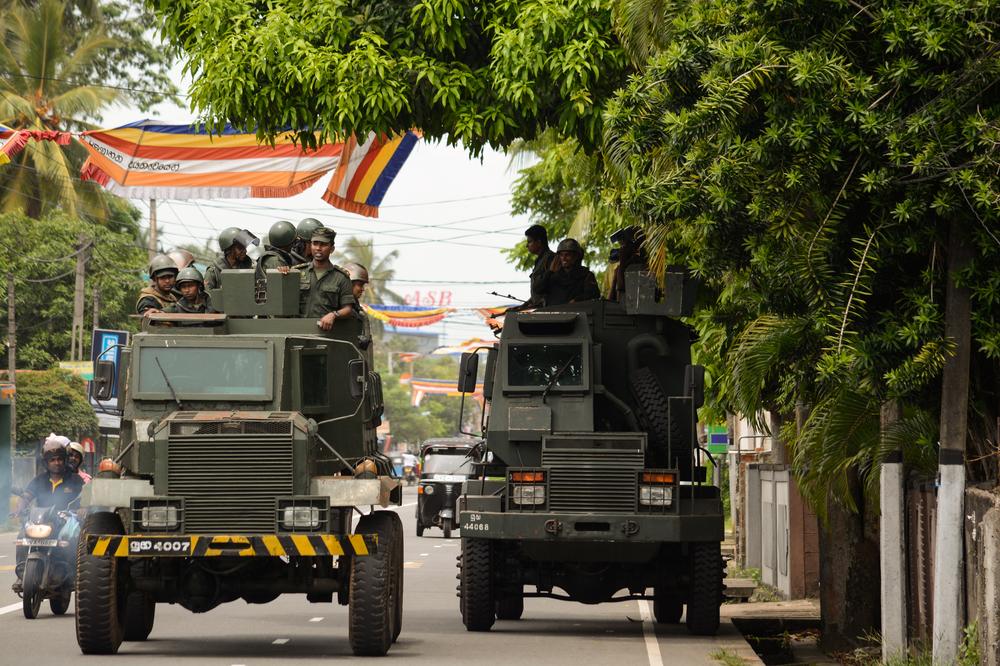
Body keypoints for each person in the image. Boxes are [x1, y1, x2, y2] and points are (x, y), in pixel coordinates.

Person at [9, 437, 85, 593]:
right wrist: (18, 509)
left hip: (65, 521)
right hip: (40, 520)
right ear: (46, 462)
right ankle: (22, 574)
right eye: (52, 460)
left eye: (59, 459)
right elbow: (26, 497)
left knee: (74, 538)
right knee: (22, 536)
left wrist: (83, 509)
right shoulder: (39, 480)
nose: (56, 462)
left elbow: (85, 498)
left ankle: (75, 575)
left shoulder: (75, 480)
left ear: (64, 460)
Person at [297, 227, 354, 330]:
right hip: (298, 330)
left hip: (326, 333)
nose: (318, 248)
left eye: (323, 244)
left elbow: (348, 309)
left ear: (332, 249)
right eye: (315, 243)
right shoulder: (297, 273)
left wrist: (333, 315)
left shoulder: (341, 277)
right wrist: (283, 272)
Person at [544, 238, 601, 306]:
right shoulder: (553, 276)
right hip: (555, 314)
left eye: (567, 255)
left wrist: (577, 300)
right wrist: (549, 272)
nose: (564, 258)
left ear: (576, 257)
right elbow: (538, 290)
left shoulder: (586, 275)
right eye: (561, 255)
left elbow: (594, 294)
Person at [609, 226, 648, 302]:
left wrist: (623, 259)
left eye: (623, 243)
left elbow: (621, 286)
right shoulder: (633, 259)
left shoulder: (638, 262)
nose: (621, 246)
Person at [524, 224, 555, 308]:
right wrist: (528, 303)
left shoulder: (551, 258)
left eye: (529, 242)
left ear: (539, 242)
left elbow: (550, 287)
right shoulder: (540, 260)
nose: (527, 245)